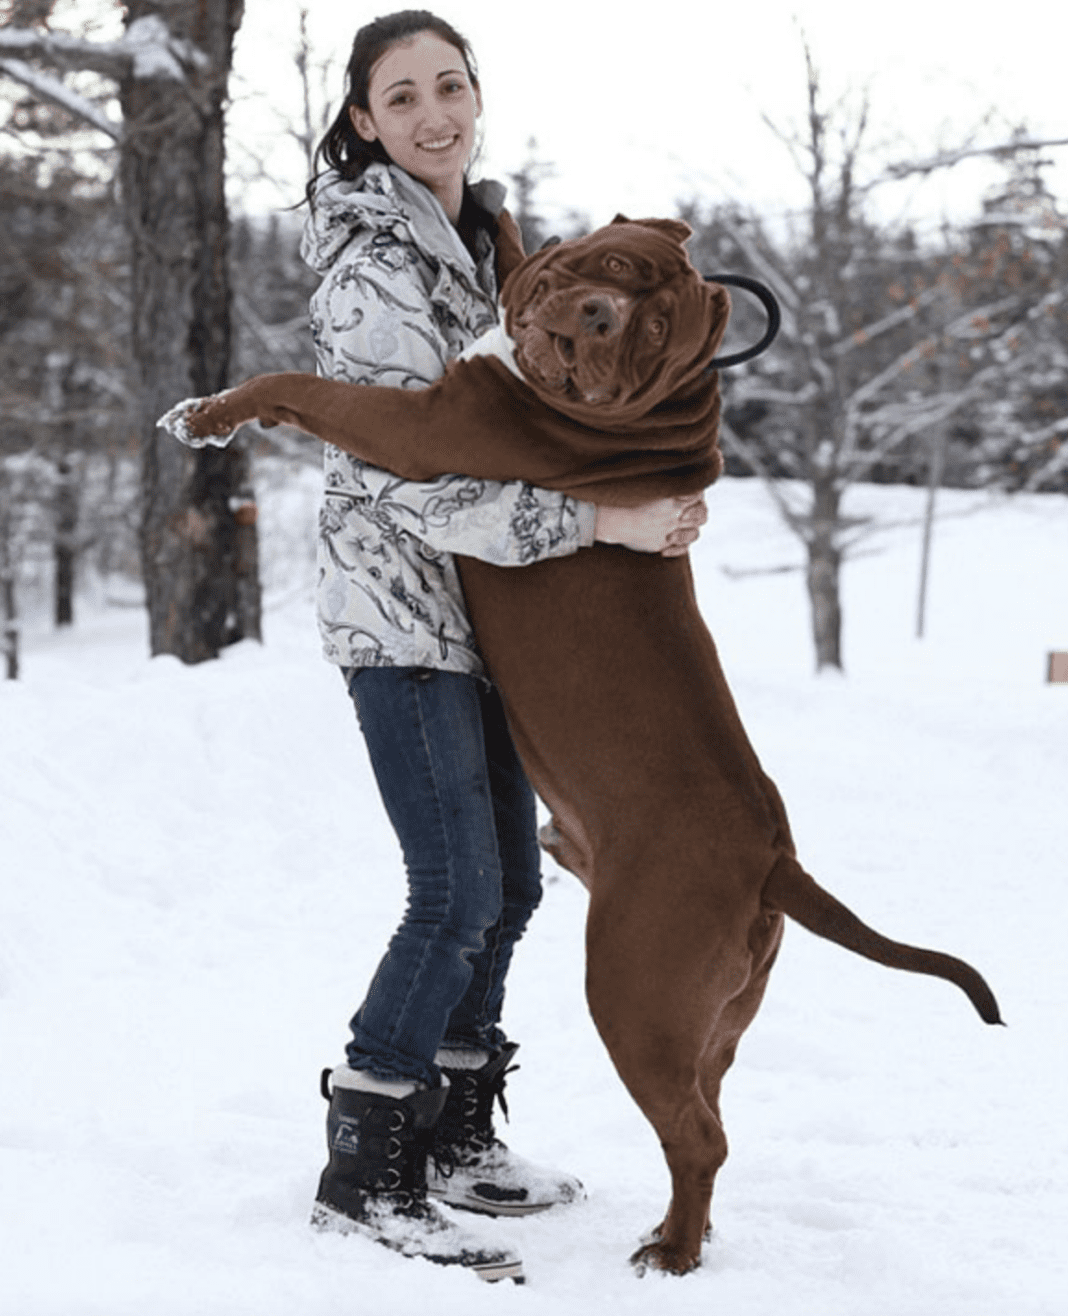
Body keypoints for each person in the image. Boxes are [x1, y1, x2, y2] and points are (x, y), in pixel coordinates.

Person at [301, 9, 706, 1281]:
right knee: (456, 888)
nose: (434, 114)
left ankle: (456, 1133)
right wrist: (602, 519)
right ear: (363, 120)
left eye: (450, 86)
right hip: (402, 611)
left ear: (478, 96)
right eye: (402, 96)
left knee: (515, 886)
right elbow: (412, 478)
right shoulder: (374, 269)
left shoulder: (492, 247)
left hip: (499, 619)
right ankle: (366, 1160)